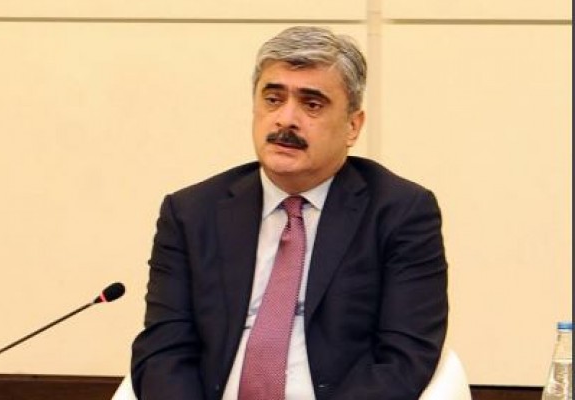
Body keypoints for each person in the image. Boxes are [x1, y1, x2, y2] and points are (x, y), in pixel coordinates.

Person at [131, 26, 448, 400]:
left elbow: (403, 359)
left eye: (312, 105)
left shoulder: (400, 213)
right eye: (273, 99)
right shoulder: (191, 213)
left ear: (352, 126)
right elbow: (163, 351)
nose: (285, 119)